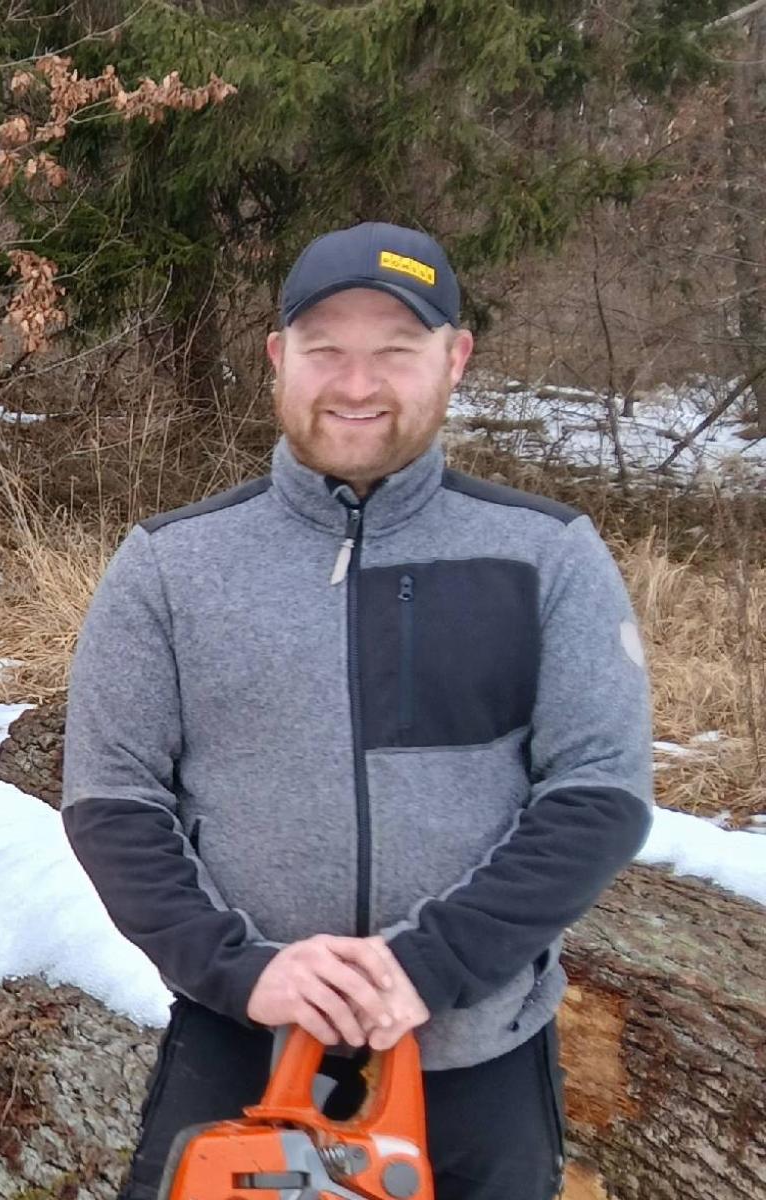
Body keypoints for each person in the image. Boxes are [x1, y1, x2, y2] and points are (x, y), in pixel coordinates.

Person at [62, 221, 653, 1200]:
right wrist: (247, 971)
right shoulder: (171, 567)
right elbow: (111, 802)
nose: (356, 383)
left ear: (455, 359)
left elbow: (600, 795)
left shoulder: (548, 557)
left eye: (396, 350)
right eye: (325, 348)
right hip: (241, 1047)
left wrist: (425, 967)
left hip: (476, 1067)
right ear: (277, 360)